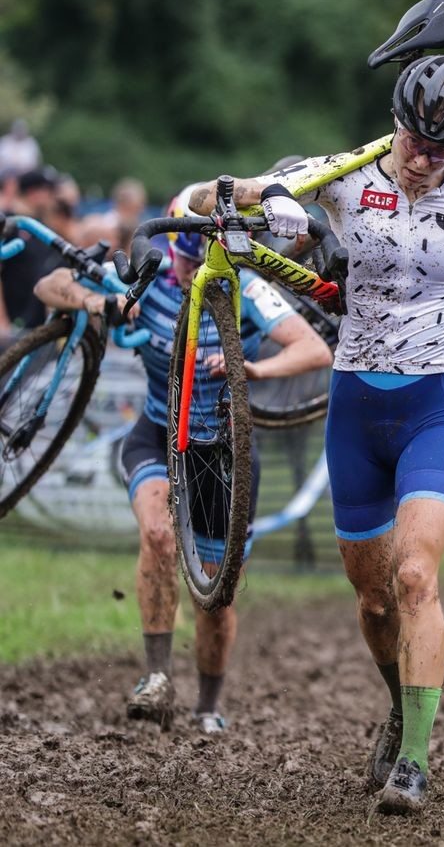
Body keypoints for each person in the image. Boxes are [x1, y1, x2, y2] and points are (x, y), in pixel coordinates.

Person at [186, 53, 444, 813]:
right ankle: (398, 704)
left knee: (415, 576)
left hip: (436, 404)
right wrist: (276, 197)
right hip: (358, 403)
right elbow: (216, 195)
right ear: (397, 123)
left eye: (441, 149)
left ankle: (415, 759)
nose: (423, 159)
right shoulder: (345, 175)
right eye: (415, 140)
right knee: (375, 601)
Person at [33, 190, 333, 734]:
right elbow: (49, 285)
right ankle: (155, 677)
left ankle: (208, 706)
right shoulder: (147, 275)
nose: (196, 260)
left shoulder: (246, 288)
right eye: (188, 248)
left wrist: (248, 368)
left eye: (207, 249)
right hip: (157, 433)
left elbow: (314, 350)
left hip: (223, 452)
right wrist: (102, 304)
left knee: (216, 599)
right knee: (158, 537)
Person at [0, 166, 62, 341]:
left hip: (34, 324)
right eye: (49, 191)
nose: (52, 198)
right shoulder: (9, 224)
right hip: (10, 325)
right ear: (35, 192)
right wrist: (2, 321)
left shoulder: (40, 227)